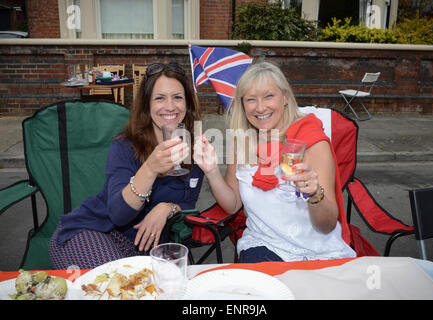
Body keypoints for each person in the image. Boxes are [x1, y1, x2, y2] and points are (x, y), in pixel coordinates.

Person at [194, 61, 356, 263]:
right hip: (263, 246)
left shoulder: (312, 142)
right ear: (243, 105)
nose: (260, 108)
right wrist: (212, 172)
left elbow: (327, 225)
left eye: (269, 96)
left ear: (285, 98)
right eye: (251, 99)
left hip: (318, 251)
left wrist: (315, 194)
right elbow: (233, 205)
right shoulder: (241, 141)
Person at [49, 62, 204, 269]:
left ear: (187, 104)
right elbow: (119, 215)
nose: (170, 106)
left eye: (177, 97)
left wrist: (167, 208)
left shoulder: (194, 150)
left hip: (143, 249)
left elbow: (189, 204)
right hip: (95, 229)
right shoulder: (125, 146)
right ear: (147, 104)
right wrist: (149, 168)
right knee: (117, 284)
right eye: (160, 98)